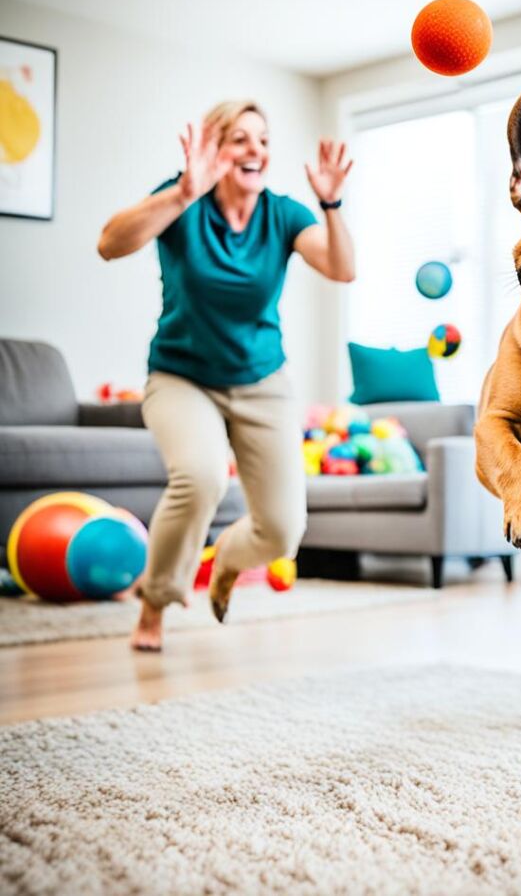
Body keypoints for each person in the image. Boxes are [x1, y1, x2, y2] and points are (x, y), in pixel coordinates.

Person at [98, 100, 355, 651]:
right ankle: (155, 604)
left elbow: (342, 268)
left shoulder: (282, 214)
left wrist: (330, 202)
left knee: (283, 530)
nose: (255, 150)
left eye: (262, 140)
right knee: (200, 476)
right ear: (215, 149)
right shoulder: (183, 199)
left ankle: (224, 565)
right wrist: (181, 194)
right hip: (181, 377)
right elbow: (110, 244)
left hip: (263, 381)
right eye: (240, 139)